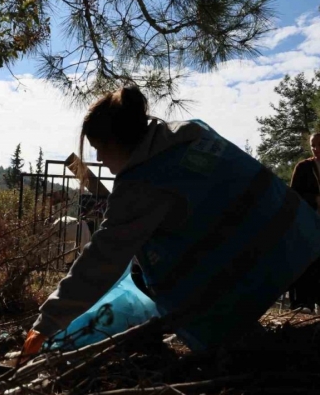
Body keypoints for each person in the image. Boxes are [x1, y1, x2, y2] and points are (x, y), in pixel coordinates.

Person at [20, 86, 320, 359]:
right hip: (301, 234)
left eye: (100, 146)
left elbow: (103, 257)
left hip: (266, 259)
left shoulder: (144, 181)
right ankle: (246, 332)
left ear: (121, 141)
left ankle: (234, 336)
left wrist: (46, 324)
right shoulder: (188, 134)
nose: (98, 156)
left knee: (147, 273)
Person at [287, 134, 320, 311]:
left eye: (319, 145)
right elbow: (294, 196)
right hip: (308, 223)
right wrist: (315, 199)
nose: (315, 148)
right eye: (312, 145)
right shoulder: (304, 167)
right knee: (307, 263)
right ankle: (302, 304)